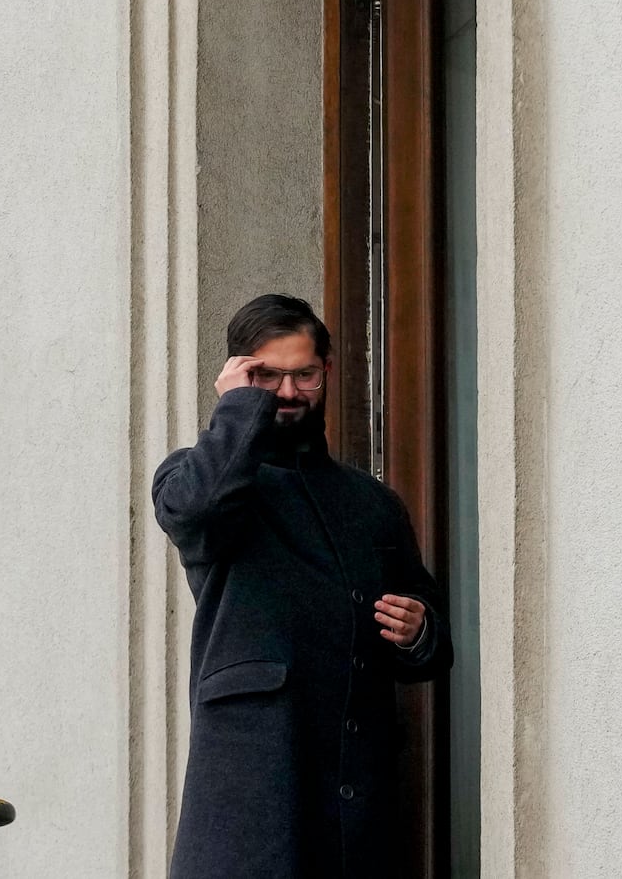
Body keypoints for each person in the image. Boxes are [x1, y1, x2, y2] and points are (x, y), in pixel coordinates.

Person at [153, 294, 452, 879]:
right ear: (235, 374)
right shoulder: (193, 475)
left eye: (304, 375)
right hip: (251, 798)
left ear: (327, 373)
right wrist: (240, 409)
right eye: (267, 376)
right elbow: (196, 514)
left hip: (355, 795)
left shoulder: (373, 504)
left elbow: (433, 646)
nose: (287, 393)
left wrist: (419, 629)